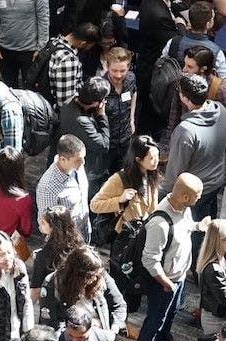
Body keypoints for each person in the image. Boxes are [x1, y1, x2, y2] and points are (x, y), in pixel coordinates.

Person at [134, 173, 206, 341]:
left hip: (178, 277)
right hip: (164, 282)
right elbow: (150, 259)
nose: (199, 198)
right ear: (184, 196)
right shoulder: (160, 223)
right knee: (154, 322)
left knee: (170, 315)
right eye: (197, 195)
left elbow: (185, 228)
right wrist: (166, 283)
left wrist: (198, 226)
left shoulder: (184, 209)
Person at [164, 75, 225, 261]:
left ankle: (197, 269)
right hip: (215, 184)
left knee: (191, 233)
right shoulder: (221, 110)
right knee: (208, 230)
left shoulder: (186, 130)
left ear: (184, 97)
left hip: (192, 193)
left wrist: (167, 195)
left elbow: (176, 171)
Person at [90, 136, 160, 274]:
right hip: (125, 238)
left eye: (157, 155)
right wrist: (119, 200)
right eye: (152, 158)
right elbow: (95, 204)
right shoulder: (120, 179)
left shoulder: (152, 176)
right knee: (120, 276)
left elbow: (152, 207)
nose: (156, 161)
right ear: (138, 160)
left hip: (144, 235)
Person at [37, 248, 127, 341]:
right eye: (89, 277)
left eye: (96, 275)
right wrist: (78, 330)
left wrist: (114, 329)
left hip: (99, 338)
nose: (93, 279)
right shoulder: (53, 283)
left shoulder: (101, 276)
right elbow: (49, 322)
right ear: (75, 275)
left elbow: (119, 305)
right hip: (67, 339)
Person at [54, 77, 110, 182]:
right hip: (82, 169)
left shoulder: (68, 102)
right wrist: (102, 116)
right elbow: (103, 145)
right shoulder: (81, 122)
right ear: (95, 103)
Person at [35, 135, 91, 241]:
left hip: (83, 230)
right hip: (67, 242)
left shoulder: (77, 166)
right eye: (78, 159)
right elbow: (47, 226)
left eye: (83, 157)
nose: (83, 162)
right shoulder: (48, 187)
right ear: (63, 159)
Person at [0, 0, 50, 88]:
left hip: (30, 52)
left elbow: (43, 19)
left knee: (31, 89)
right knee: (9, 89)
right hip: (4, 51)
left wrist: (41, 48)